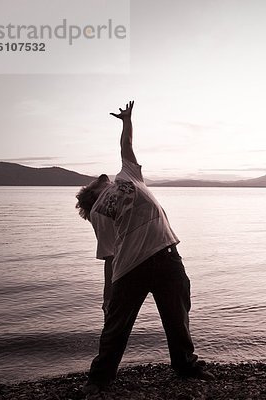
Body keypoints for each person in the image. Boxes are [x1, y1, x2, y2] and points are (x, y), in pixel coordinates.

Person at [75, 101, 213, 395]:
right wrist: (108, 295)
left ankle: (186, 367)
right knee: (116, 327)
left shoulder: (128, 176)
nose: (99, 176)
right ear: (90, 195)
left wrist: (126, 122)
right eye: (92, 182)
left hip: (167, 256)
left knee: (177, 317)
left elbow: (127, 145)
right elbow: (109, 255)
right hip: (130, 269)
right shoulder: (98, 211)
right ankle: (99, 379)